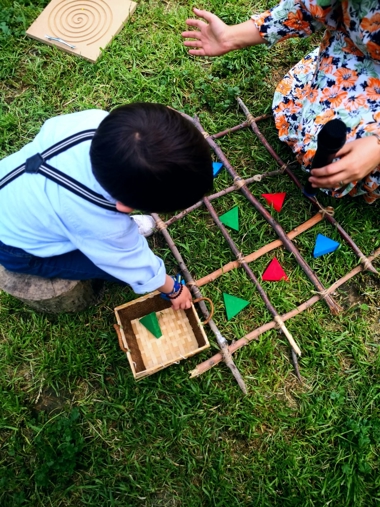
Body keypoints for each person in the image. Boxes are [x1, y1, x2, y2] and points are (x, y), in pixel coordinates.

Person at [0, 103, 213, 309]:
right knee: (108, 265)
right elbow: (130, 263)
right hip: (17, 251)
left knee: (107, 239)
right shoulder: (98, 222)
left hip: (14, 191)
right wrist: (172, 288)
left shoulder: (95, 122)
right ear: (123, 206)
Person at [182, 1, 380, 203]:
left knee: (342, 159)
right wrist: (231, 38)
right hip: (357, 56)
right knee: (319, 148)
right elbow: (311, 7)